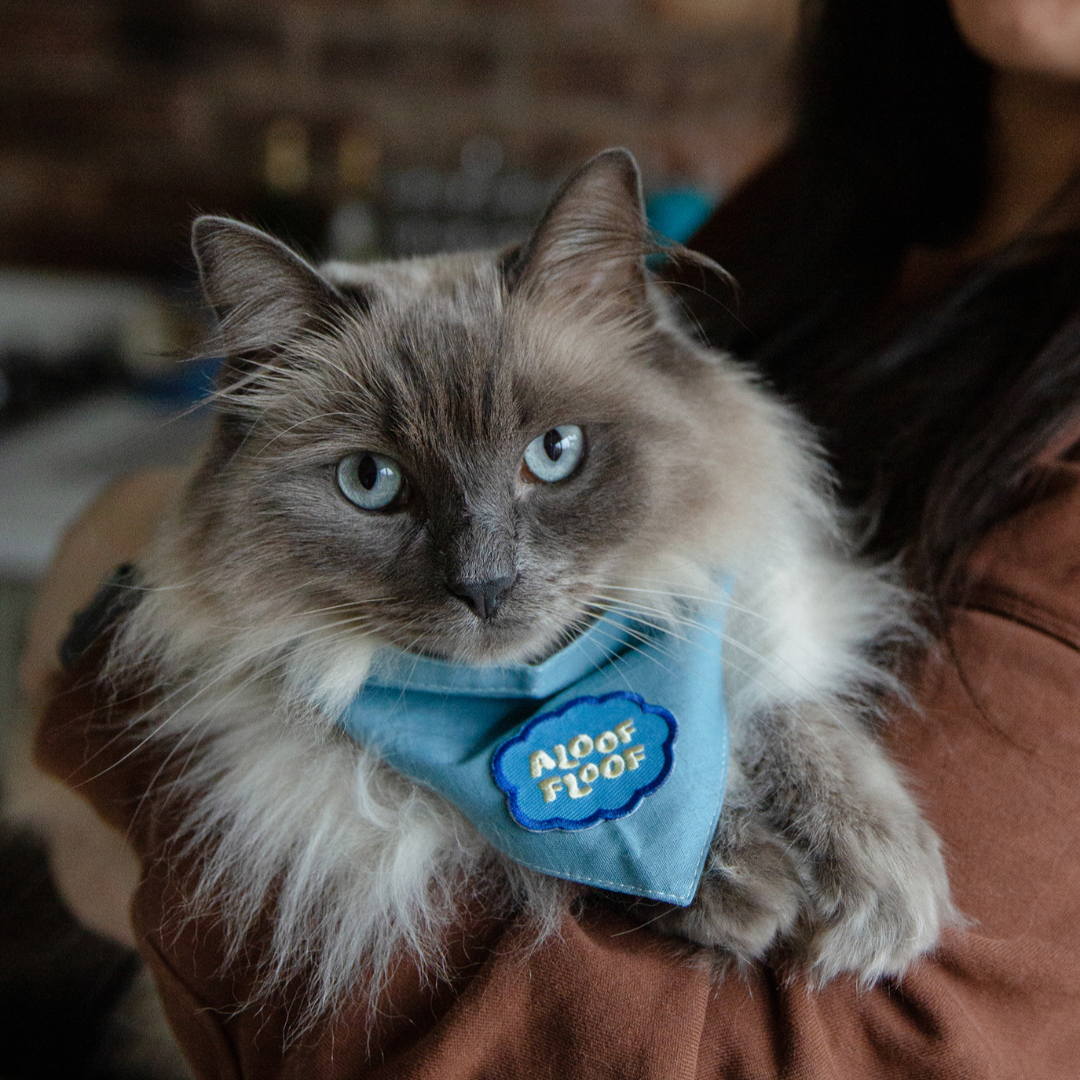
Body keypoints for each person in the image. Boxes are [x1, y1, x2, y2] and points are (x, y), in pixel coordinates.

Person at [20, 0, 1080, 1074]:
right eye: (375, 482)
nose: (482, 574)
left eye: (554, 456)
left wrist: (122, 715)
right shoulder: (825, 191)